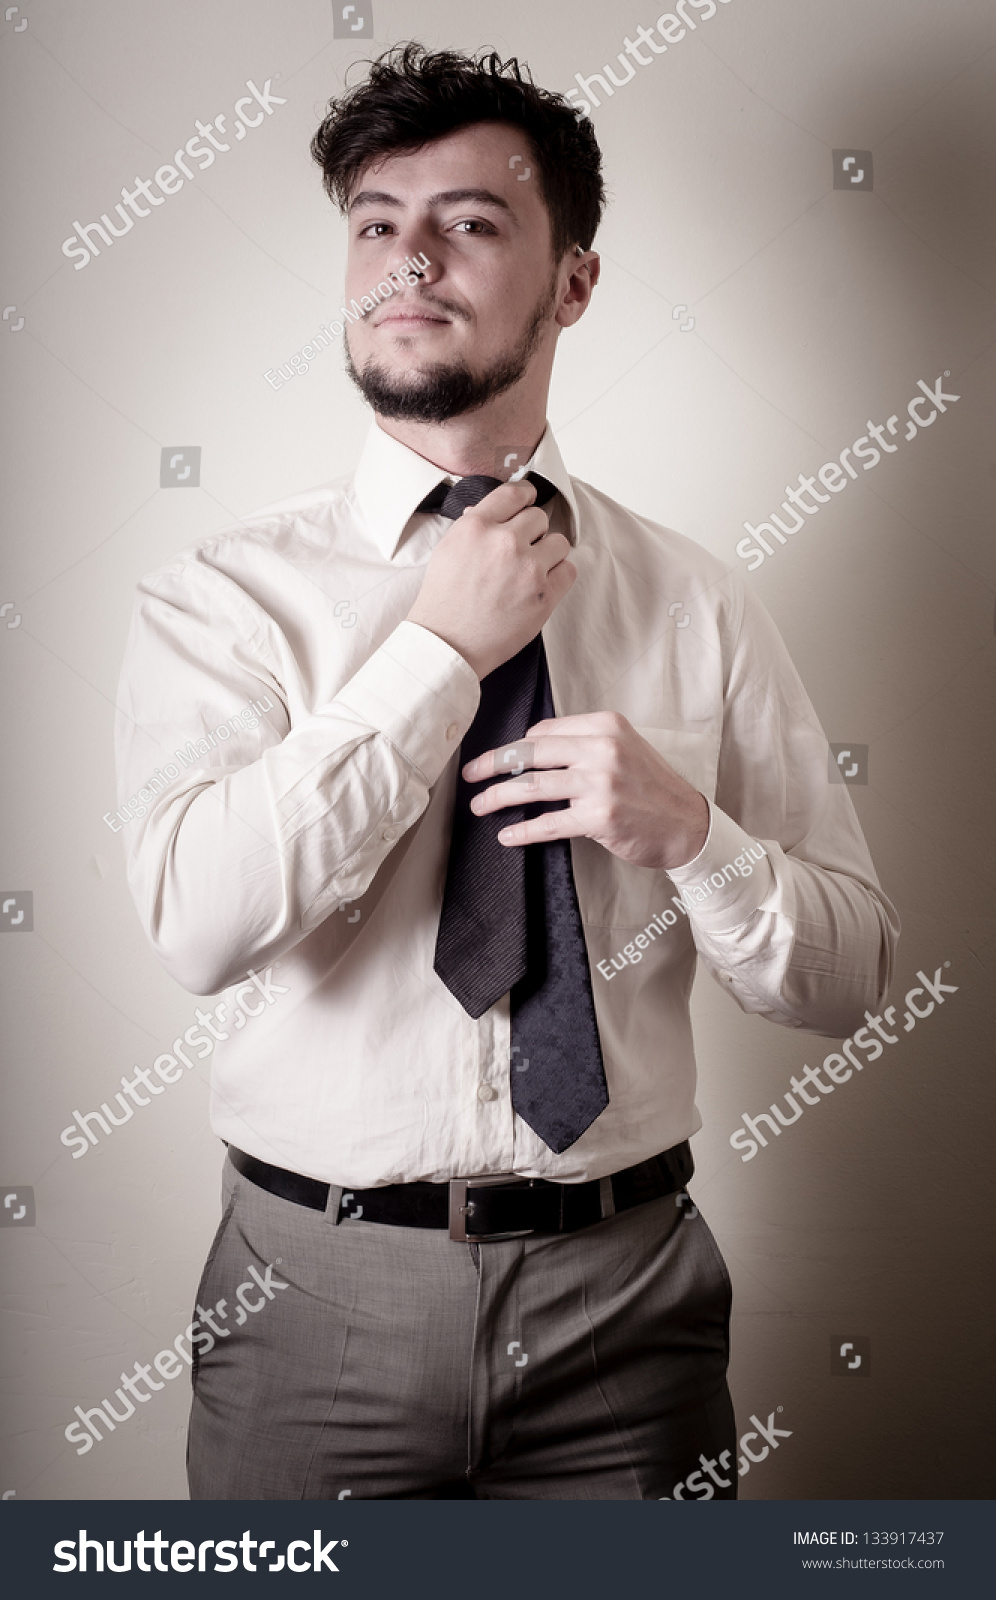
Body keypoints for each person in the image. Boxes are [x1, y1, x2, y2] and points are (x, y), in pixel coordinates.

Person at [115, 43, 899, 1501]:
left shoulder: (697, 599)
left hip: (630, 1315)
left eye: (470, 222)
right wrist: (436, 660)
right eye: (374, 221)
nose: (408, 257)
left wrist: (696, 836)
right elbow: (198, 927)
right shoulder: (221, 599)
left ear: (574, 283)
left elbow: (851, 976)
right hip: (308, 1309)